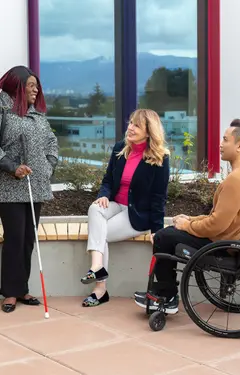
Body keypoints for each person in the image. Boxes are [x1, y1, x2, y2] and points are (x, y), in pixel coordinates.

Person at [134, 119, 240, 314]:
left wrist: (187, 226)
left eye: (225, 139)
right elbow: (221, 217)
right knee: (172, 231)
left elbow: (217, 224)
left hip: (223, 246)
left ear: (239, 146)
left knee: (163, 237)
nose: (220, 144)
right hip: (231, 241)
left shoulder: (237, 178)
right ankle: (165, 294)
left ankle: (166, 297)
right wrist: (192, 219)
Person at [0, 66, 58, 313]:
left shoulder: (37, 115)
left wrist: (49, 164)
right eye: (31, 85)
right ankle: (10, 292)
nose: (36, 90)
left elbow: (52, 141)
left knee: (28, 239)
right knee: (15, 237)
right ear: (18, 86)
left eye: (37, 85)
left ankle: (22, 288)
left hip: (37, 185)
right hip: (10, 186)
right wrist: (12, 167)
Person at [81, 109, 170, 307]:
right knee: (95, 209)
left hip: (136, 213)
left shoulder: (159, 158)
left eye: (136, 125)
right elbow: (108, 180)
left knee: (100, 233)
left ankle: (100, 289)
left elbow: (159, 197)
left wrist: (157, 230)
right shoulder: (120, 148)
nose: (130, 127)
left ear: (149, 131)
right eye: (130, 122)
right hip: (115, 205)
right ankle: (97, 265)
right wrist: (103, 195)